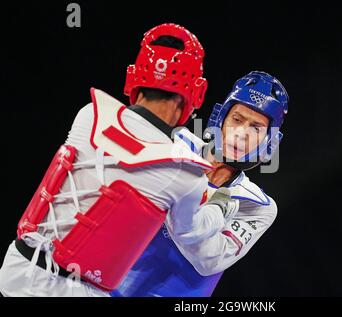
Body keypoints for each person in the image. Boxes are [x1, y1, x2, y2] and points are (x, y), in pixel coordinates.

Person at [0, 23, 218, 297]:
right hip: (77, 291)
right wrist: (220, 209)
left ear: (135, 79)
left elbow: (125, 155)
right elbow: (190, 234)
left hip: (16, 270)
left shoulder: (89, 114)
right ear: (195, 93)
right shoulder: (186, 172)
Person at [112, 71, 289, 297]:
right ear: (221, 119)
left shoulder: (257, 206)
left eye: (256, 128)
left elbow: (209, 261)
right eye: (237, 119)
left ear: (269, 141)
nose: (241, 134)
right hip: (109, 288)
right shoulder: (177, 143)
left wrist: (171, 197)